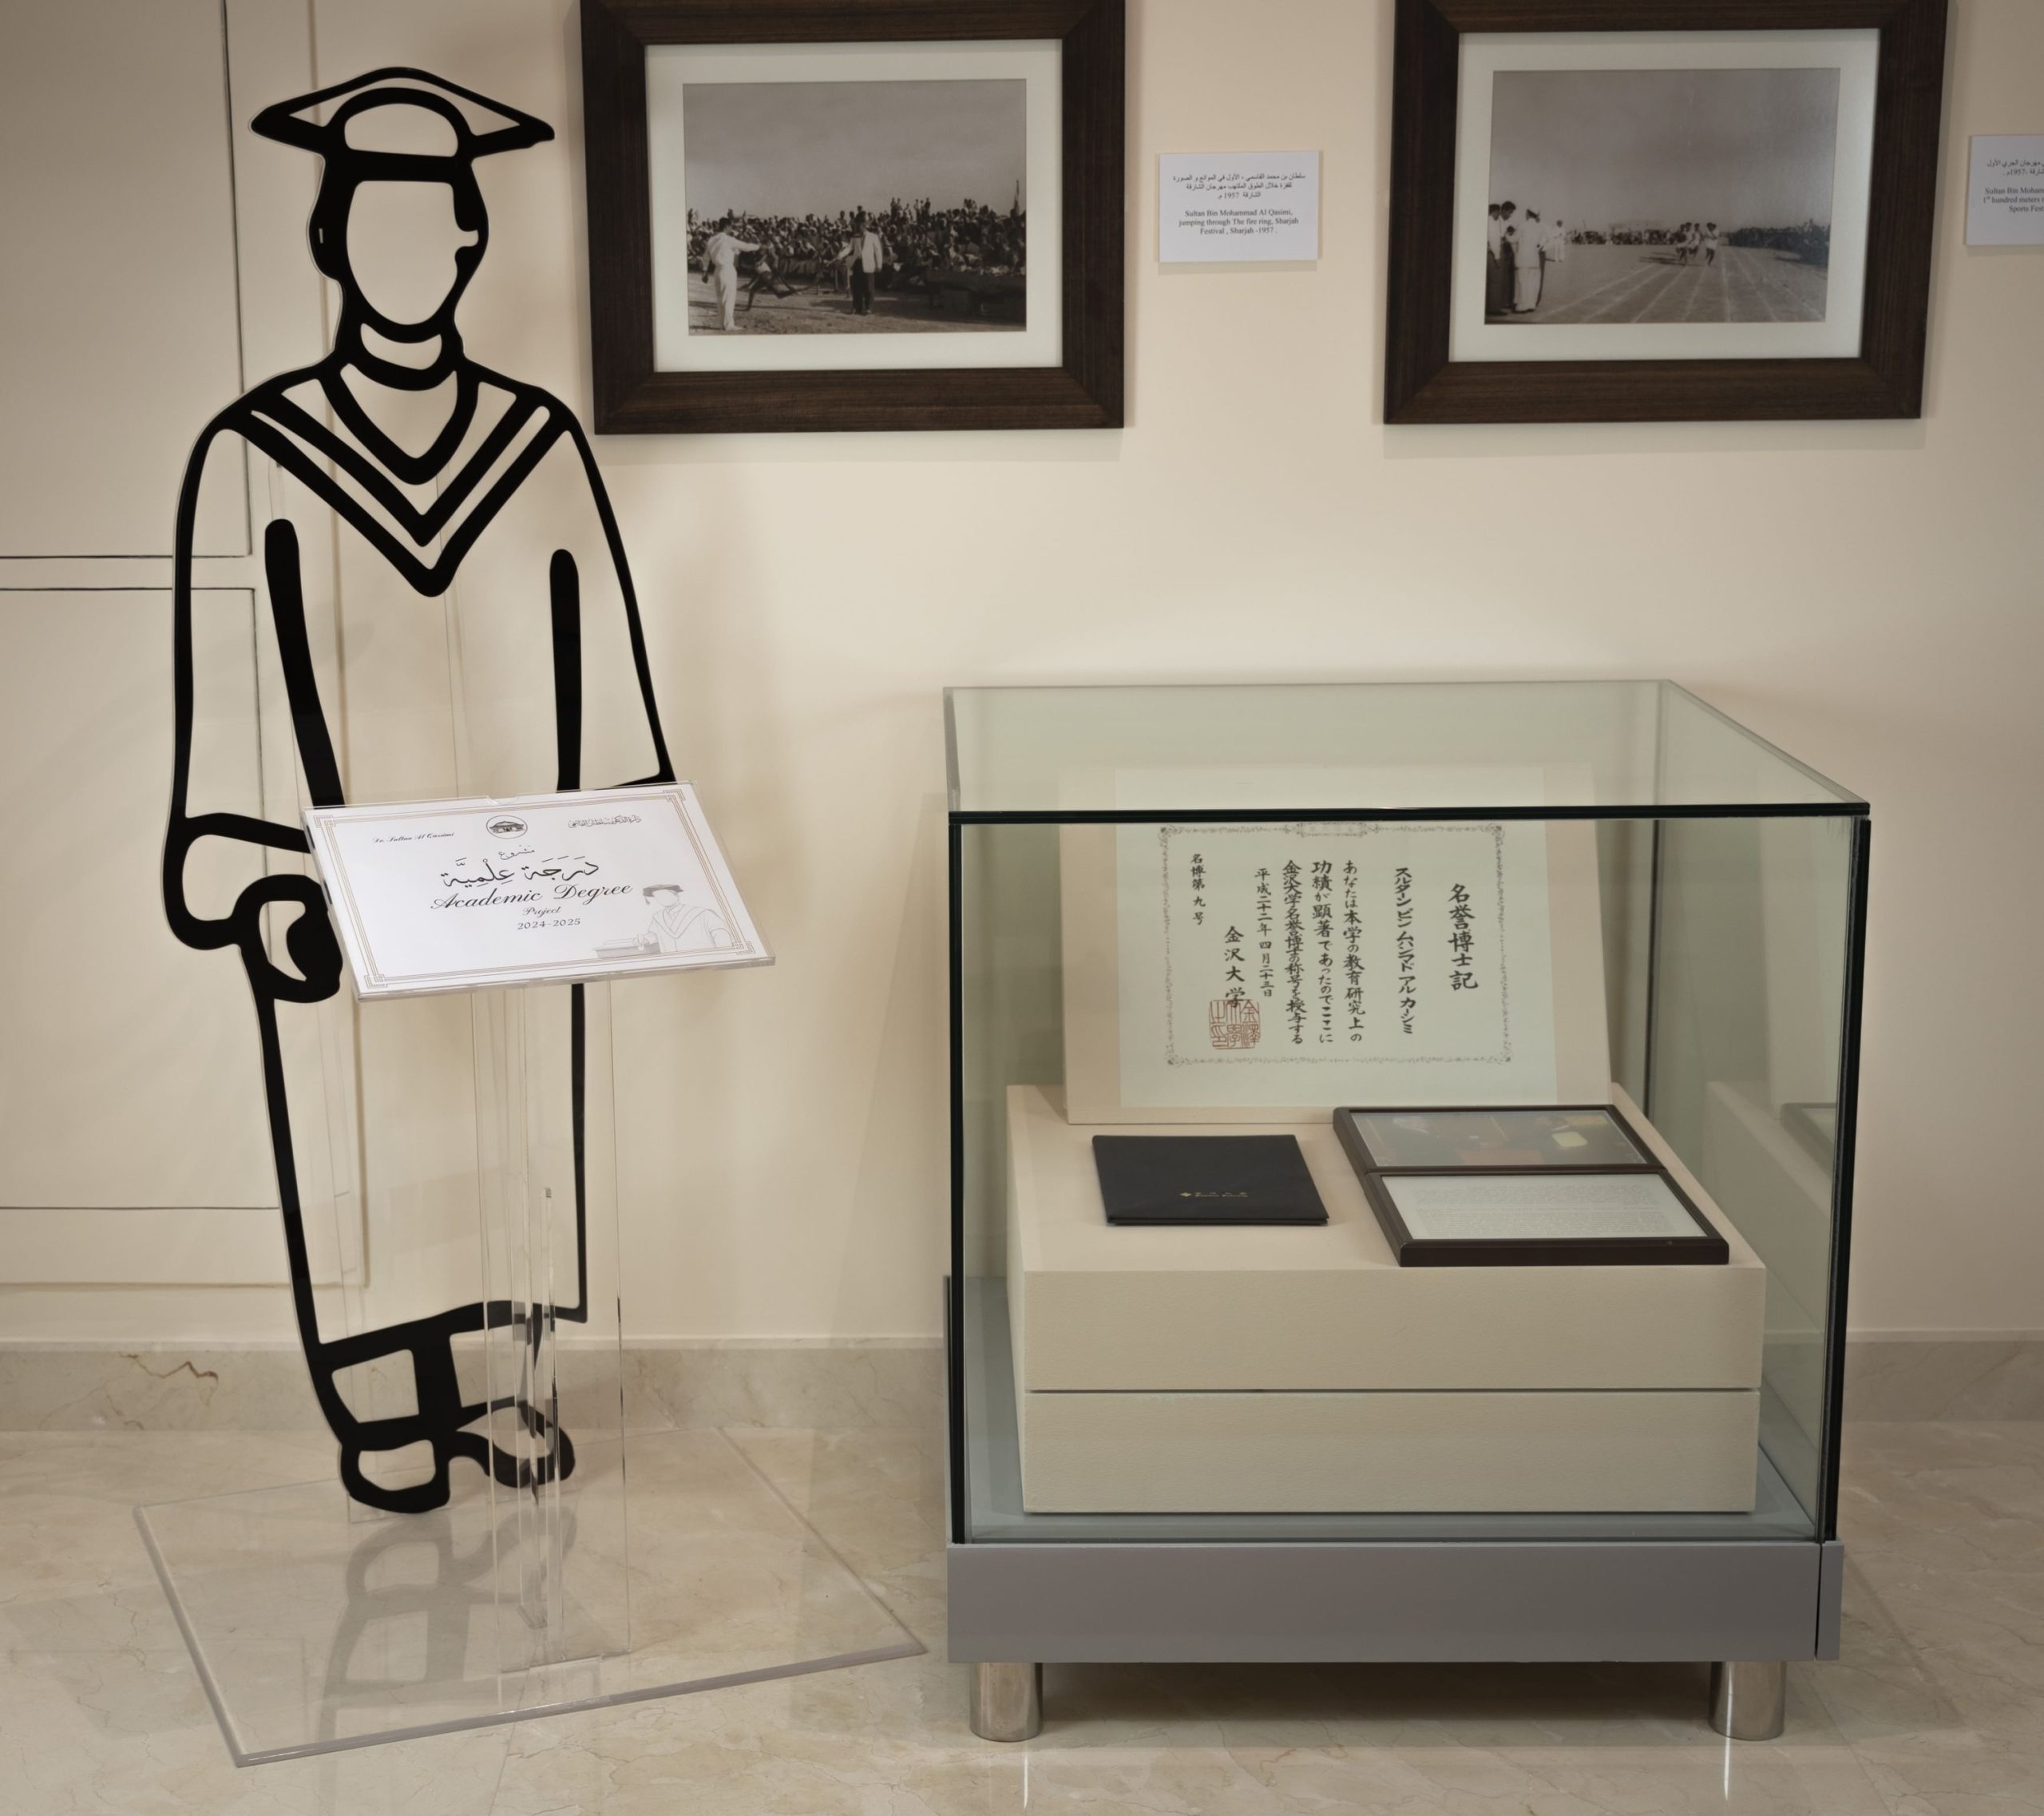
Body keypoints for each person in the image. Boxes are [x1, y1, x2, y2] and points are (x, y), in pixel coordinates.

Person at [165, 69, 675, 1515]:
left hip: (516, 874)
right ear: (330, 241)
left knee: (507, 1131)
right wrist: (255, 865)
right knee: (371, 1130)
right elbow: (231, 684)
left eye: (430, 227)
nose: (404, 258)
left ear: (468, 242)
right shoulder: (258, 452)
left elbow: (605, 659)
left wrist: (630, 840)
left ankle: (508, 1377)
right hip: (340, 888)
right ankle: (384, 1398)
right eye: (371, 227)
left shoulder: (537, 443)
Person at [701, 212, 761, 330]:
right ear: (727, 227)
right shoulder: (728, 239)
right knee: (728, 298)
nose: (731, 229)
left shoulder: (712, 240)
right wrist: (758, 246)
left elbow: (706, 257)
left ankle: (722, 324)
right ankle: (728, 325)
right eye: (731, 227)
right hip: (727, 270)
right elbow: (746, 246)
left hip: (717, 271)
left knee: (720, 299)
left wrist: (705, 272)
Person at [642, 882, 733, 953]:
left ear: (676, 895)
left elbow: (721, 933)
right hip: (674, 961)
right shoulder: (658, 917)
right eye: (658, 897)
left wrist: (723, 953)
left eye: (665, 895)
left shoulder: (702, 914)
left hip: (702, 957)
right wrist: (644, 939)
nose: (662, 899)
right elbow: (655, 935)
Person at [838, 208, 888, 317]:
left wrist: (879, 265)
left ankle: (869, 308)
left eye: (859, 225)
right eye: (857, 225)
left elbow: (878, 251)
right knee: (857, 287)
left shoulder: (873, 237)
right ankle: (857, 307)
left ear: (864, 225)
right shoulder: (855, 237)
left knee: (869, 287)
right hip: (857, 264)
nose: (857, 227)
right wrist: (840, 255)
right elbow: (849, 248)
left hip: (869, 264)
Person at [1512, 207, 1544, 313]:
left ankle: (1522, 306)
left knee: (1523, 282)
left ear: (1528, 214)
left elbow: (1514, 239)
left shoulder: (1522, 226)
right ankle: (1531, 305)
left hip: (1523, 259)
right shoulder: (1539, 228)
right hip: (1534, 259)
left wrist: (1507, 236)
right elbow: (1541, 242)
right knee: (1532, 283)